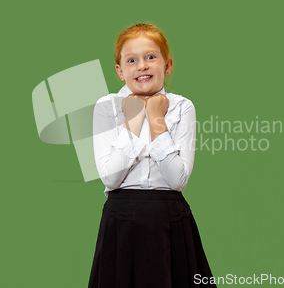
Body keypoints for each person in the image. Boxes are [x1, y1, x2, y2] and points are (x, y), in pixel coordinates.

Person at [89, 23, 216, 288]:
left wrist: (156, 119)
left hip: (168, 218)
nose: (142, 66)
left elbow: (177, 180)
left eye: (150, 57)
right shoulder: (106, 107)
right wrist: (133, 119)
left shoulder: (182, 107)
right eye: (132, 60)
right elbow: (111, 179)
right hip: (120, 220)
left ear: (167, 65)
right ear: (120, 71)